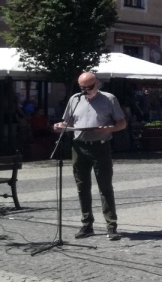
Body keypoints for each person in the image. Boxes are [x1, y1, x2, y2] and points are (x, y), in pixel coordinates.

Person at [53, 72, 126, 240]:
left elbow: (122, 122)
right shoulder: (75, 99)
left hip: (100, 147)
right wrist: (60, 125)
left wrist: (110, 129)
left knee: (105, 187)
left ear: (97, 84)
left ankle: (111, 225)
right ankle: (87, 224)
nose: (86, 91)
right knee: (82, 187)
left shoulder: (109, 99)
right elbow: (69, 122)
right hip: (79, 147)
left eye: (89, 87)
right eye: (82, 88)